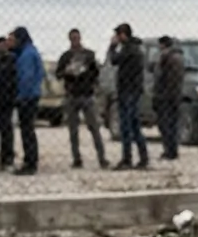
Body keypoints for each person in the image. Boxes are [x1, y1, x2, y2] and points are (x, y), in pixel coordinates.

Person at [56, 28, 108, 169]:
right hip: (72, 95)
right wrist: (67, 71)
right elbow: (58, 74)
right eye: (72, 38)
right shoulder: (65, 57)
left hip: (86, 94)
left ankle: (102, 158)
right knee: (73, 130)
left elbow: (96, 73)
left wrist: (86, 73)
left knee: (94, 128)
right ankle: (77, 158)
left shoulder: (89, 55)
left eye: (77, 38)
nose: (75, 40)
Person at [108, 23, 149, 170]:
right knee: (133, 126)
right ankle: (141, 158)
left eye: (118, 35)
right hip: (132, 91)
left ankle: (128, 159)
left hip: (128, 91)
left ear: (123, 35)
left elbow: (113, 60)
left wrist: (112, 46)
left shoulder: (129, 50)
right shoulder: (135, 49)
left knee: (128, 126)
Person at [9, 26, 44, 176]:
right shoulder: (30, 51)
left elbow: (26, 77)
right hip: (32, 95)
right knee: (28, 129)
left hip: (27, 97)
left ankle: (30, 162)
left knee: (27, 130)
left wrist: (21, 96)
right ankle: (30, 160)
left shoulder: (26, 55)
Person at [154, 35, 186, 161]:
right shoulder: (179, 58)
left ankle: (168, 150)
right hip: (175, 95)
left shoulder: (165, 58)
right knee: (173, 124)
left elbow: (160, 78)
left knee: (165, 125)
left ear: (163, 45)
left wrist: (159, 94)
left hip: (165, 96)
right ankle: (173, 150)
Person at [0, 36, 17, 169]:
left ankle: (7, 156)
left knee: (6, 129)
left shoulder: (11, 59)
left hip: (6, 99)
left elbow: (13, 79)